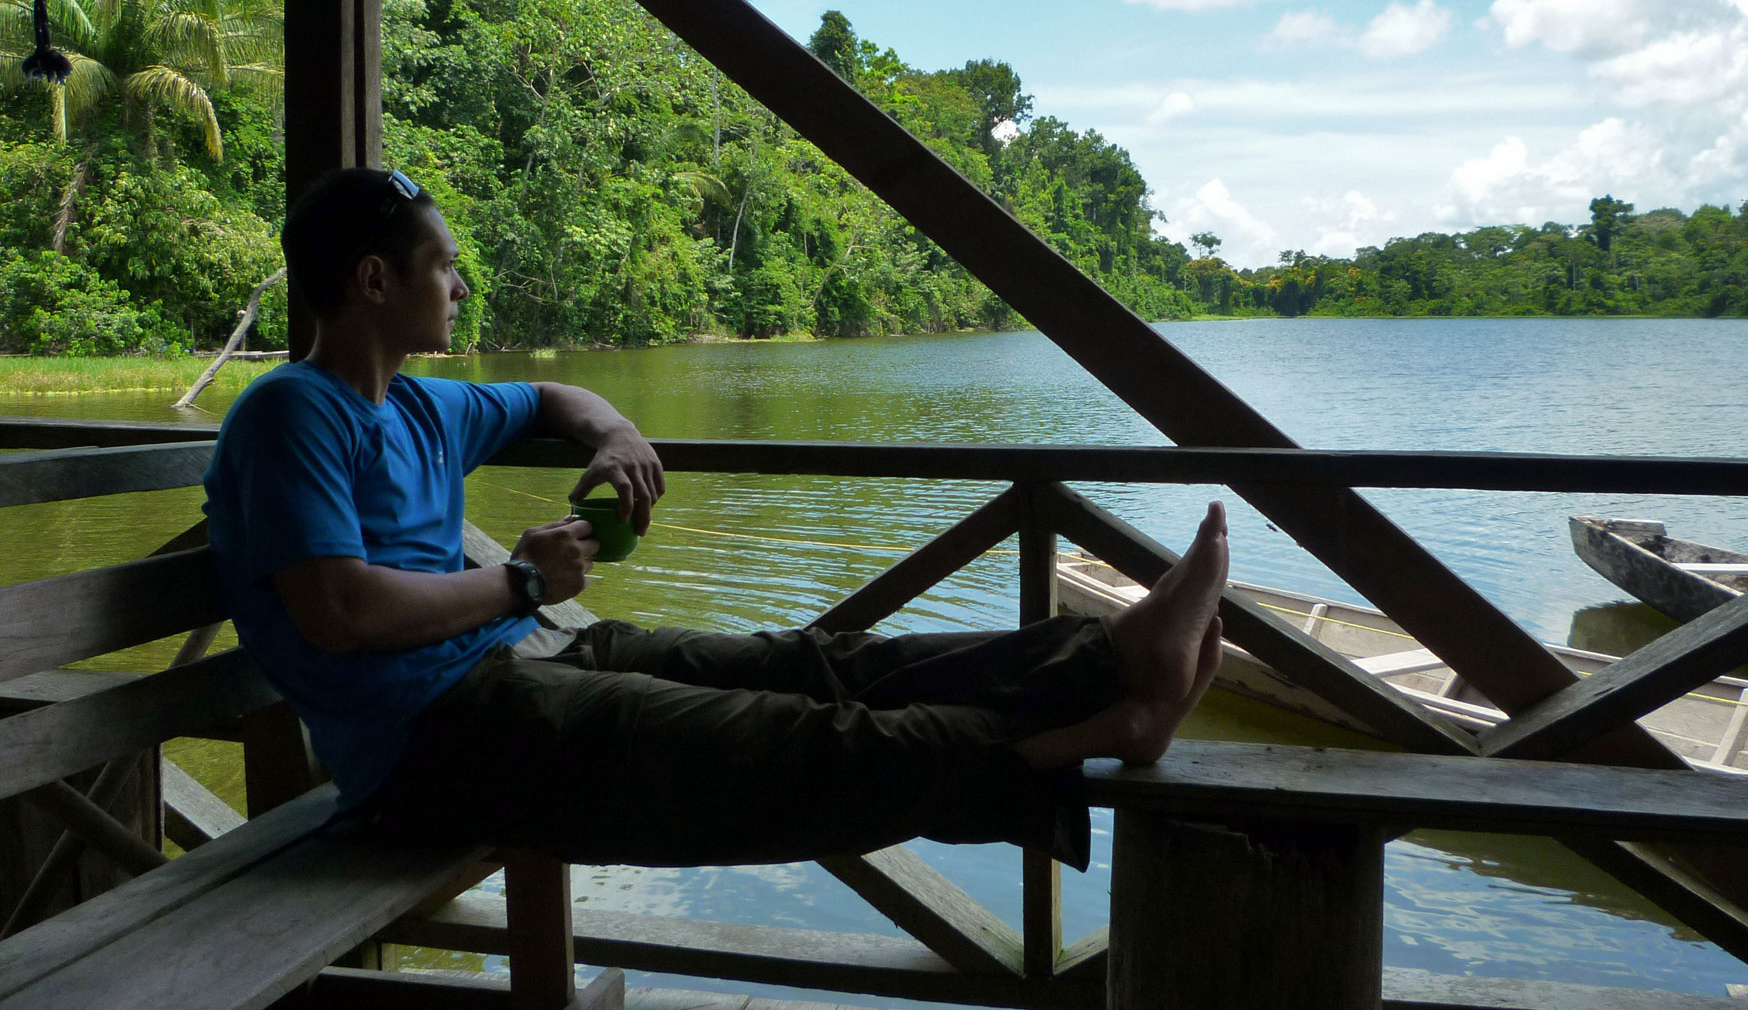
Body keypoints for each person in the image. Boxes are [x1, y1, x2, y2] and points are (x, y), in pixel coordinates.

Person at [201, 167, 1229, 869]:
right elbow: (338, 609)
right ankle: (1093, 728)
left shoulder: (423, 403)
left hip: (524, 661)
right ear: (374, 280)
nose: (461, 285)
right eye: (442, 267)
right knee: (790, 741)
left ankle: (1105, 657)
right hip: (431, 751)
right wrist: (518, 580)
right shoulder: (293, 411)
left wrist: (613, 433)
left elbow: (558, 401)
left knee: (818, 662)